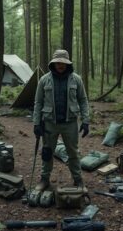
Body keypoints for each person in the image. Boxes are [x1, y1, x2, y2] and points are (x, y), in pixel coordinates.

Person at [33, 49, 89, 191]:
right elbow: (38, 102)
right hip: (49, 123)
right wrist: (36, 123)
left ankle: (78, 180)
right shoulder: (44, 79)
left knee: (73, 153)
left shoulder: (76, 79)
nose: (60, 65)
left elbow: (83, 100)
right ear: (53, 63)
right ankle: (44, 179)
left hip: (70, 123)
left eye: (63, 63)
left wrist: (86, 120)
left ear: (67, 64)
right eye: (58, 62)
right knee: (47, 152)